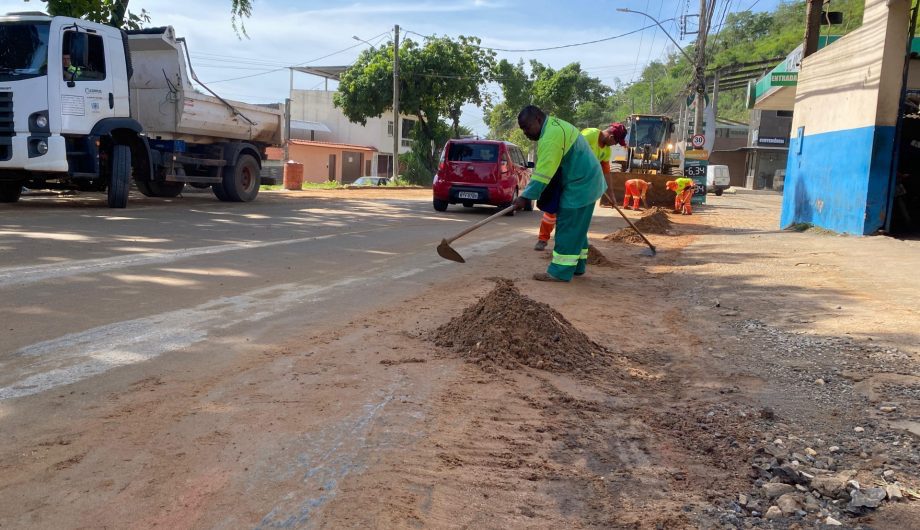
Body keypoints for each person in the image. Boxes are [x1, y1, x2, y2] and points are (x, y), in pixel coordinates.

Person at [514, 106, 607, 282]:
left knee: (568, 226)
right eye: (522, 129)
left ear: (538, 120)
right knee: (577, 228)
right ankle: (577, 266)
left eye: (526, 127)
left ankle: (559, 271)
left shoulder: (550, 138)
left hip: (581, 184)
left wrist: (524, 197)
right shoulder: (554, 125)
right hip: (586, 180)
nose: (525, 132)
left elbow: (543, 174)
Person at [533, 122, 626, 251]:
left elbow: (606, 172)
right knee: (552, 210)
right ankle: (542, 239)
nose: (615, 145)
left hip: (580, 183)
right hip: (564, 175)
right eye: (616, 142)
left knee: (573, 213)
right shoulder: (591, 134)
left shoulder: (606, 151)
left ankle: (566, 241)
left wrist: (611, 194)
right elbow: (570, 148)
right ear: (612, 137)